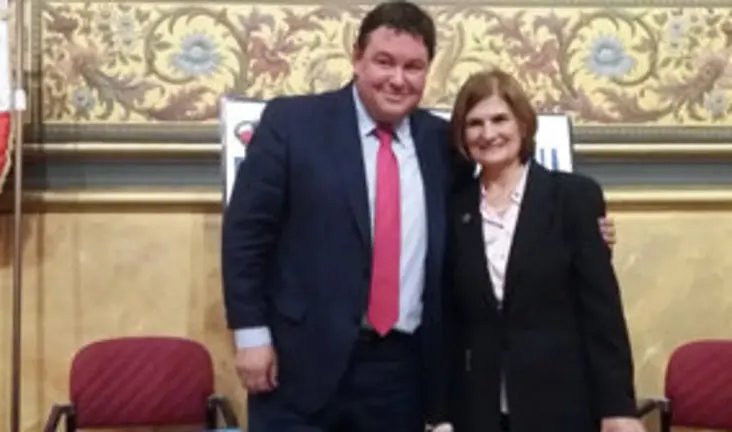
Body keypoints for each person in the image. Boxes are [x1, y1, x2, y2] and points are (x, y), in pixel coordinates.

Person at [222, 2, 617, 431]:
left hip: (402, 372)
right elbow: (246, 234)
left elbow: (488, 228)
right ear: (356, 57)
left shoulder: (441, 145)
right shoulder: (292, 123)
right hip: (298, 362)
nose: (397, 78)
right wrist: (251, 333)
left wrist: (585, 235)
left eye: (413, 66)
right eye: (384, 62)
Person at [437, 68, 644, 432]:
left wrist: (618, 408)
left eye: (500, 119)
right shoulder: (454, 208)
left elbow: (602, 314)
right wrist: (440, 415)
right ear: (462, 134)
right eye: (475, 123)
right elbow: (449, 321)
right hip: (478, 410)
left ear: (522, 123)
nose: (488, 134)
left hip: (561, 405)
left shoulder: (573, 198)